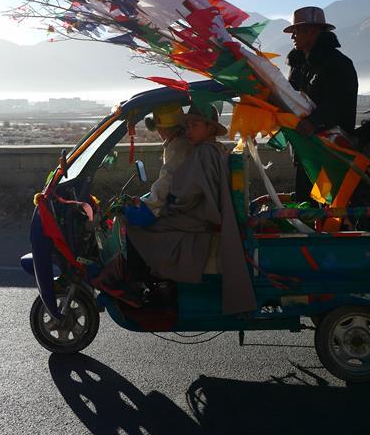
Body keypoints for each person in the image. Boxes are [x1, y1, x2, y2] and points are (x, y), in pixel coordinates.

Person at [95, 105, 257, 315]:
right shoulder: (212, 149)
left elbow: (187, 194)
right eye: (187, 126)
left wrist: (167, 204)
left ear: (210, 128)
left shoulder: (204, 153)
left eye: (194, 126)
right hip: (201, 213)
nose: (188, 131)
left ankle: (136, 285)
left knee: (136, 228)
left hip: (198, 218)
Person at [283, 6, 359, 201]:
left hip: (332, 152)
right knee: (306, 201)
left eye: (297, 31)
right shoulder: (299, 66)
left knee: (328, 202)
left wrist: (314, 122)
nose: (293, 36)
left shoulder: (339, 64)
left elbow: (340, 102)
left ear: (313, 31)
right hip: (306, 149)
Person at [121, 104, 192, 225]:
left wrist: (149, 205)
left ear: (162, 129)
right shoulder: (181, 143)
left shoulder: (177, 147)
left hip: (181, 210)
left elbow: (166, 181)